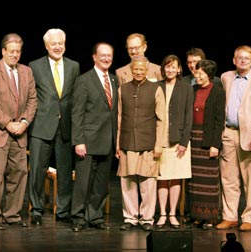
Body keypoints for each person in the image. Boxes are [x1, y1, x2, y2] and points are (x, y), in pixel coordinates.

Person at [0, 33, 37, 230]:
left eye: (18, 51)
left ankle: (12, 214)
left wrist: (23, 121)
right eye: (11, 51)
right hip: (0, 132)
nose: (15, 55)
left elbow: (32, 100)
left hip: (21, 132)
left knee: (19, 173)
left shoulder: (27, 71)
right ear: (3, 51)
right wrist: (7, 123)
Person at [215, 45, 251, 232]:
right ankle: (229, 216)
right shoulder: (226, 77)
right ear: (234, 60)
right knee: (228, 179)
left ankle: (248, 217)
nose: (243, 61)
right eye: (239, 57)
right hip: (228, 133)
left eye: (247, 58)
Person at [28, 28, 80, 226]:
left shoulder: (74, 66)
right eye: (54, 44)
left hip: (65, 124)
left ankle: (64, 210)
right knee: (37, 170)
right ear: (46, 46)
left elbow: (75, 96)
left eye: (61, 43)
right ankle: (37, 209)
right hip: (41, 125)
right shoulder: (34, 66)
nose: (58, 47)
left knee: (65, 170)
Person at [70, 42, 118, 232]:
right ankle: (79, 217)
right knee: (83, 182)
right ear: (94, 57)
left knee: (100, 183)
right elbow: (77, 113)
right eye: (103, 55)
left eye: (109, 56)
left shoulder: (114, 80)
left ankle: (95, 216)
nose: (106, 59)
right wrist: (79, 140)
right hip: (88, 141)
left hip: (108, 141)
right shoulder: (84, 80)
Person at [116, 55, 166, 232]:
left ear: (147, 70)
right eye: (135, 69)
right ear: (131, 70)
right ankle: (130, 217)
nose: (138, 72)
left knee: (147, 183)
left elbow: (162, 119)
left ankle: (147, 218)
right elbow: (120, 117)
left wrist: (159, 144)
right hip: (127, 142)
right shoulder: (123, 89)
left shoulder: (155, 89)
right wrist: (117, 143)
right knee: (127, 182)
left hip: (148, 143)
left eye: (141, 69)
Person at [181, 47, 222, 220]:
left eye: (200, 73)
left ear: (208, 74)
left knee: (209, 180)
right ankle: (196, 215)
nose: (196, 76)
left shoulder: (218, 90)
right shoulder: (193, 90)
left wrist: (215, 144)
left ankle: (210, 217)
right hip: (193, 138)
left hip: (207, 138)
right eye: (196, 73)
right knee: (195, 180)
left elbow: (219, 121)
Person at [155, 54, 193, 229]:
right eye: (167, 66)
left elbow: (188, 116)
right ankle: (162, 213)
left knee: (176, 178)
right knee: (162, 178)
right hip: (160, 140)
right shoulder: (157, 86)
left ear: (179, 69)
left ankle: (172, 213)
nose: (170, 70)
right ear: (163, 69)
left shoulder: (186, 88)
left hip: (178, 140)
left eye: (173, 67)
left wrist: (184, 141)